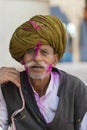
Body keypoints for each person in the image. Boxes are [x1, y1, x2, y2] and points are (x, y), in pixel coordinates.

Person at [0, 15, 87, 130]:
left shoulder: (75, 88)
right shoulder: (9, 89)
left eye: (44, 52)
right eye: (31, 51)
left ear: (55, 60)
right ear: (22, 59)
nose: (37, 58)